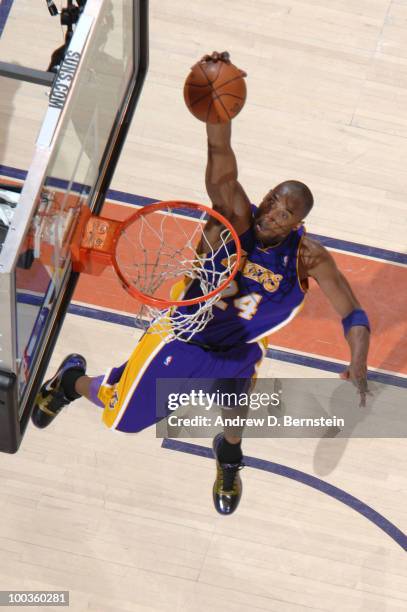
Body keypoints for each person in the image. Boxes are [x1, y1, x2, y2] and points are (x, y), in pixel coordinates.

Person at [31, 51, 370, 516]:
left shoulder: (308, 259)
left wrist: (358, 362)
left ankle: (229, 457)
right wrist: (217, 106)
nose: (271, 212)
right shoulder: (235, 215)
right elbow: (221, 158)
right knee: (124, 419)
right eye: (271, 201)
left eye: (284, 212)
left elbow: (353, 312)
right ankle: (72, 381)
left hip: (240, 345)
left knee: (234, 410)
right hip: (186, 329)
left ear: (298, 223)